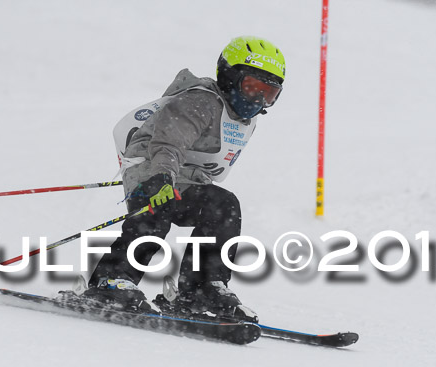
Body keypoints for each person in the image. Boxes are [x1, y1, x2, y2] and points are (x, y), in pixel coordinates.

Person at [83, 36, 285, 322]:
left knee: (223, 205)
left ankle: (202, 289)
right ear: (230, 77)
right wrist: (162, 178)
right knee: (157, 210)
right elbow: (168, 143)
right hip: (153, 168)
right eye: (252, 87)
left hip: (187, 179)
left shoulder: (243, 120)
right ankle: (112, 281)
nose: (258, 100)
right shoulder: (199, 101)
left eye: (269, 93)